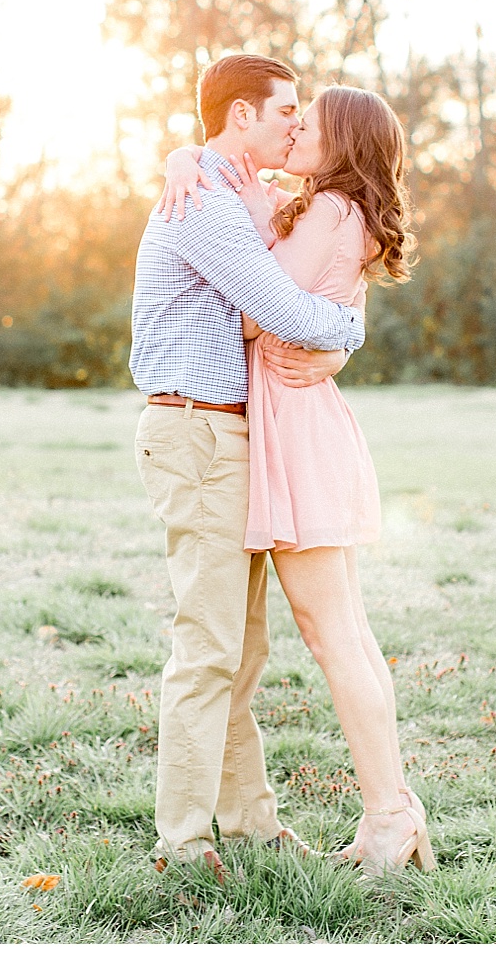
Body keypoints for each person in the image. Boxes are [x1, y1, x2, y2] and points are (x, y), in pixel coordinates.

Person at [156, 84, 431, 875]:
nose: (297, 129)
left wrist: (336, 331)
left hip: (296, 430)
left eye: (309, 124)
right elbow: (219, 169)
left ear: (341, 141)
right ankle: (395, 808)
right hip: (296, 423)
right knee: (344, 631)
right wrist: (185, 155)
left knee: (332, 633)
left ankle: (388, 815)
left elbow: (254, 312)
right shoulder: (323, 206)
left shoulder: (330, 211)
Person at [129, 54, 366, 882]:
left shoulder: (231, 191)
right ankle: (185, 842)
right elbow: (282, 311)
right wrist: (350, 334)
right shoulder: (204, 204)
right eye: (285, 112)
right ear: (239, 118)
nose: (298, 125)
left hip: (230, 436)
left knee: (244, 645)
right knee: (208, 645)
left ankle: (251, 820)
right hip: (195, 432)